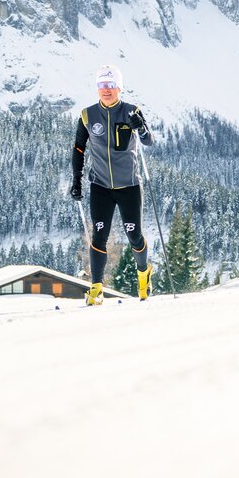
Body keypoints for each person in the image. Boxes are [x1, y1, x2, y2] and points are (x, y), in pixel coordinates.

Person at [70, 64, 154, 305]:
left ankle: (143, 273)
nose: (105, 90)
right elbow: (78, 147)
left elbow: (149, 141)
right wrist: (76, 179)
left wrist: (141, 128)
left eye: (110, 85)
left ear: (119, 87)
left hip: (128, 186)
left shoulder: (131, 111)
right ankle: (96, 288)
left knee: (134, 235)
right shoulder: (87, 115)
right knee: (99, 236)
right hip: (100, 186)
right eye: (101, 85)